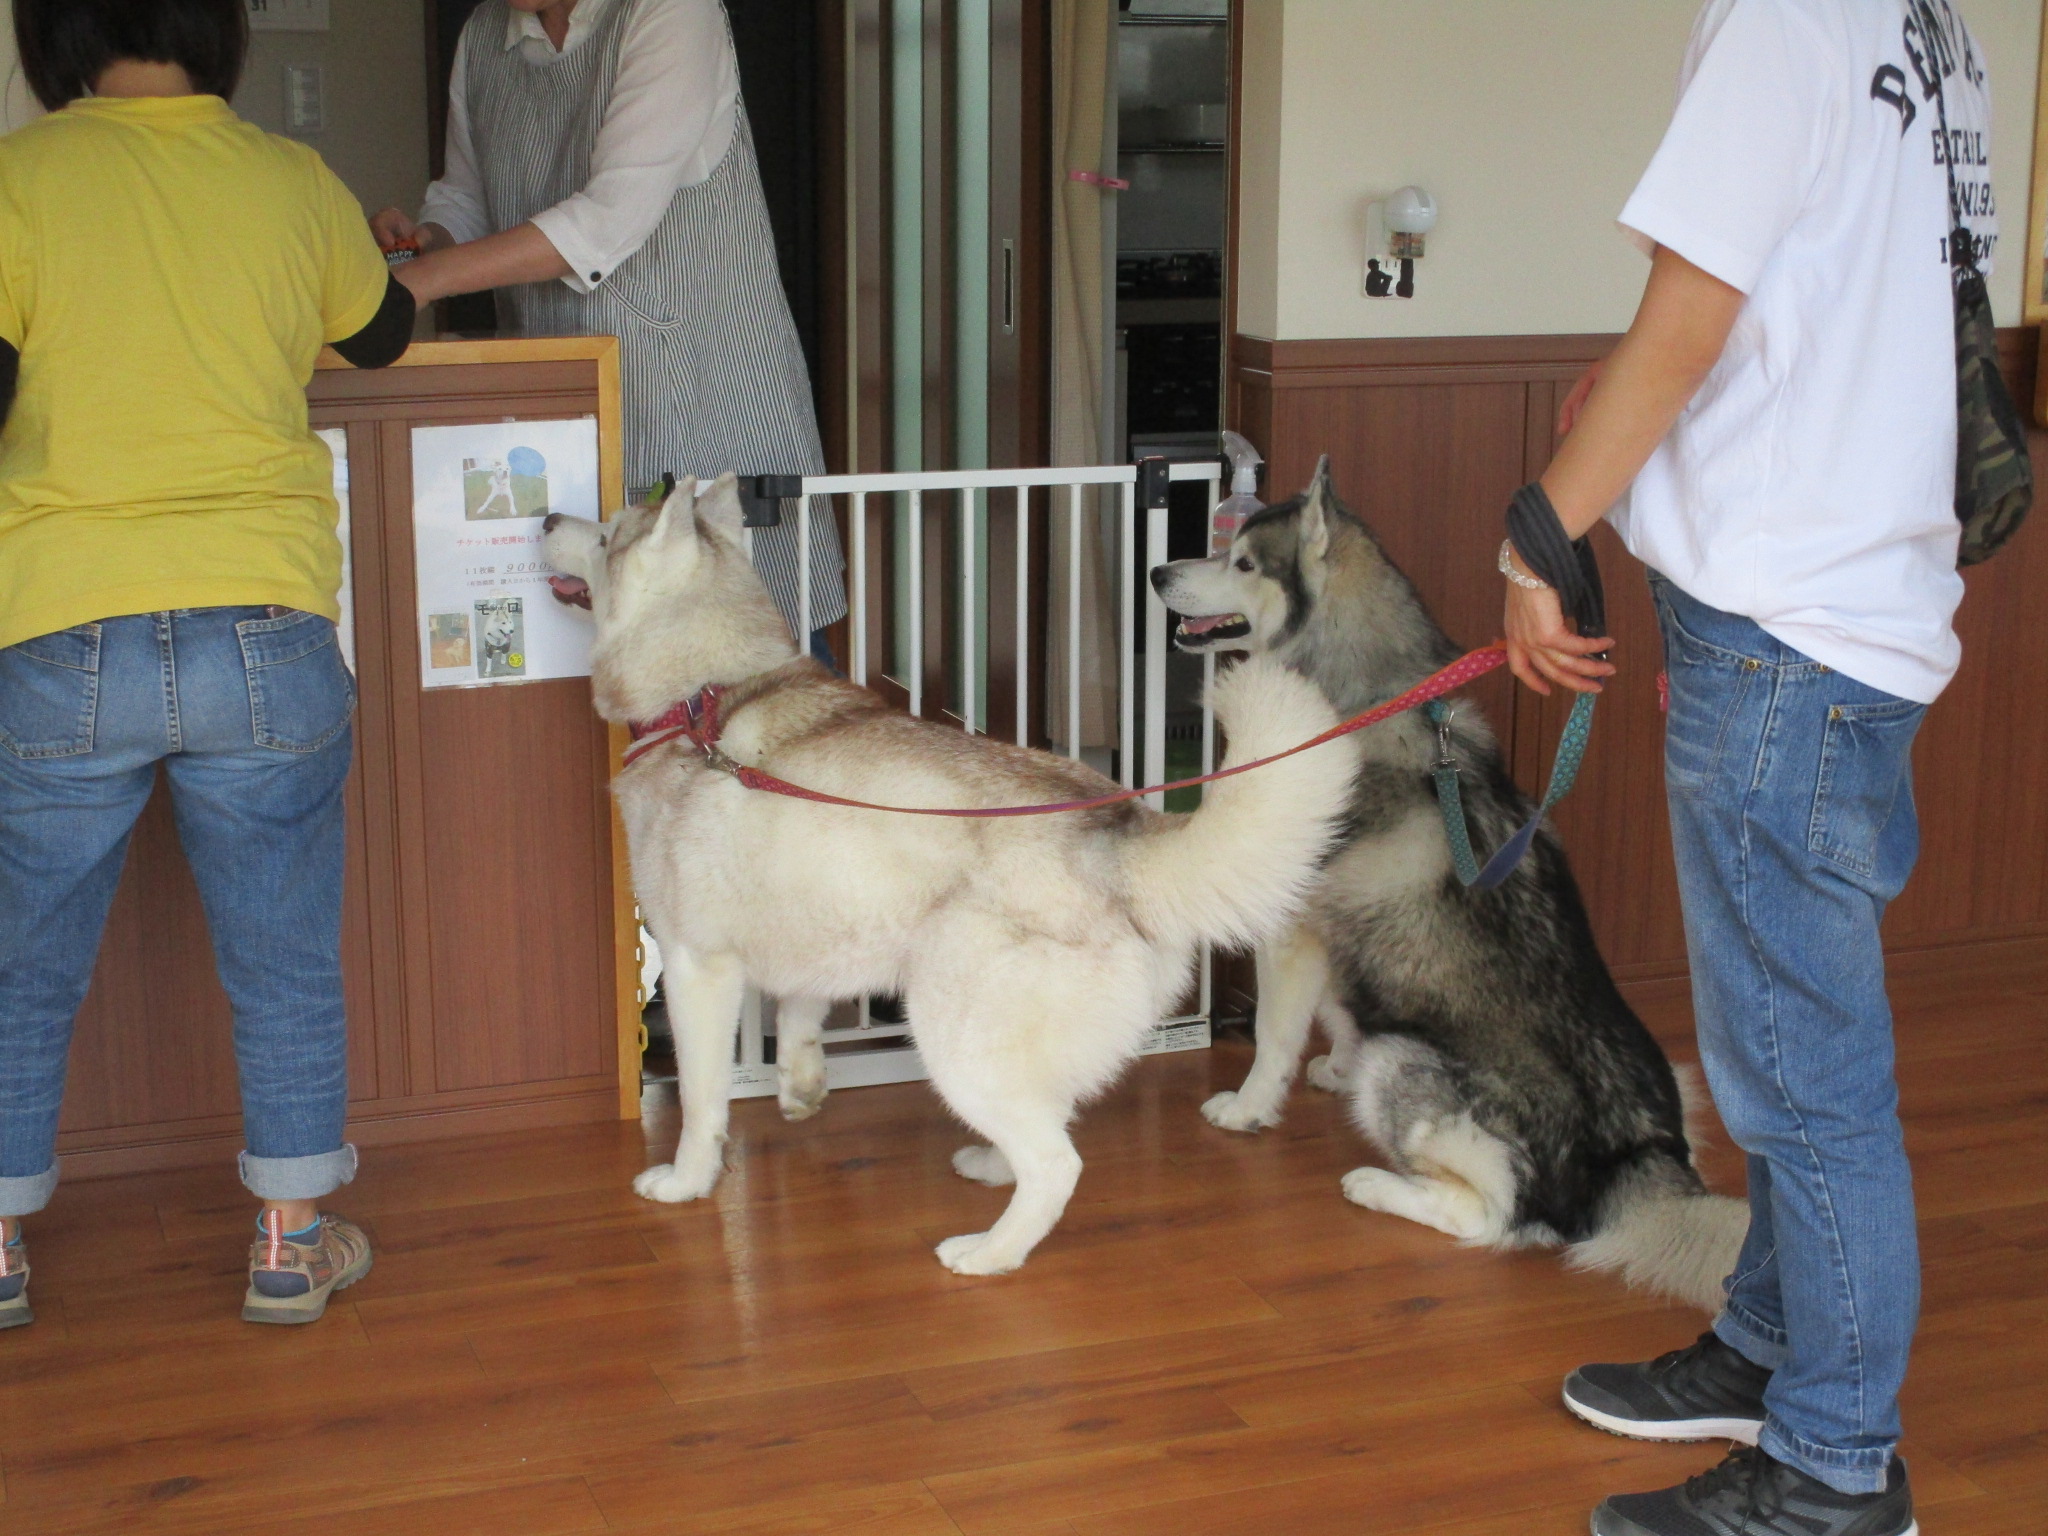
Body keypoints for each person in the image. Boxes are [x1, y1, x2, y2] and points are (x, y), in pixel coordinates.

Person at [1497, 2, 1994, 1533]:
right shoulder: (1929, 22)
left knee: (1805, 1080)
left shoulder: (1786, 12)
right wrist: (1625, 423)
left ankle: (1836, 1470)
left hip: (1789, 633)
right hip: (1851, 613)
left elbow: (1695, 311)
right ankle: (1769, 1348)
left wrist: (1540, 529)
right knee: (1789, 1055)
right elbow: (1806, 297)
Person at [0, 0, 414, 1326]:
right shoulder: (291, 179)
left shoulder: (19, 177)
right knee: (282, 961)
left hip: (62, 623)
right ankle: (290, 1244)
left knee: (21, 963)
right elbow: (385, 333)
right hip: (263, 624)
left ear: (52, 34)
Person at [373, 0, 845, 655]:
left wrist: (421, 283)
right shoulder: (484, 36)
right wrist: (425, 243)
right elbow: (465, 199)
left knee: (754, 665)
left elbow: (607, 219)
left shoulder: (672, 11)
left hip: (702, 394)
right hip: (563, 411)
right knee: (584, 660)